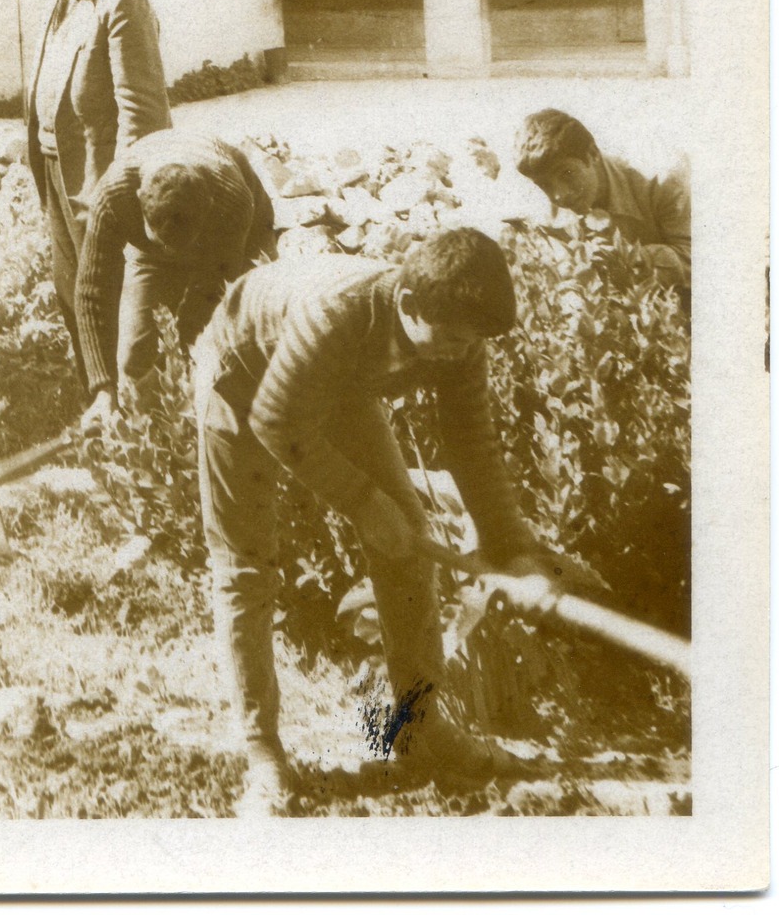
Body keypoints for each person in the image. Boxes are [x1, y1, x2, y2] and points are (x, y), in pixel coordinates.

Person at [191, 229, 595, 816]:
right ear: (407, 306)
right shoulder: (335, 315)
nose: (461, 353)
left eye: (472, 343)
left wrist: (515, 551)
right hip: (241, 379)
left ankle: (419, 732)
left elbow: (472, 446)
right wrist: (361, 500)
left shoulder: (459, 334)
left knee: (408, 545)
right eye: (453, 340)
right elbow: (276, 421)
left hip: (339, 386)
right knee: (246, 569)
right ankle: (263, 753)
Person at [23, 0, 173, 379]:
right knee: (69, 288)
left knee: (102, 295)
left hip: (98, 182)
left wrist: (121, 195)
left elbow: (144, 112)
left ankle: (124, 407)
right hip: (55, 171)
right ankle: (95, 398)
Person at [74, 130, 278, 431]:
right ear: (141, 199)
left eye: (179, 247)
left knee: (226, 350)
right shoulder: (113, 195)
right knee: (135, 357)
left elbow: (215, 294)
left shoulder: (230, 197)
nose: (175, 255)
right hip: (150, 253)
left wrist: (181, 354)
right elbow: (92, 291)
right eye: (164, 243)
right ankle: (143, 430)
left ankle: (217, 431)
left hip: (236, 235)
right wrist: (104, 388)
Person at [513, 108, 691, 291]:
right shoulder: (543, 216)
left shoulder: (662, 182)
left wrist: (634, 258)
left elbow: (700, 259)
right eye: (544, 185)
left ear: (593, 154)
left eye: (567, 174)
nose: (559, 196)